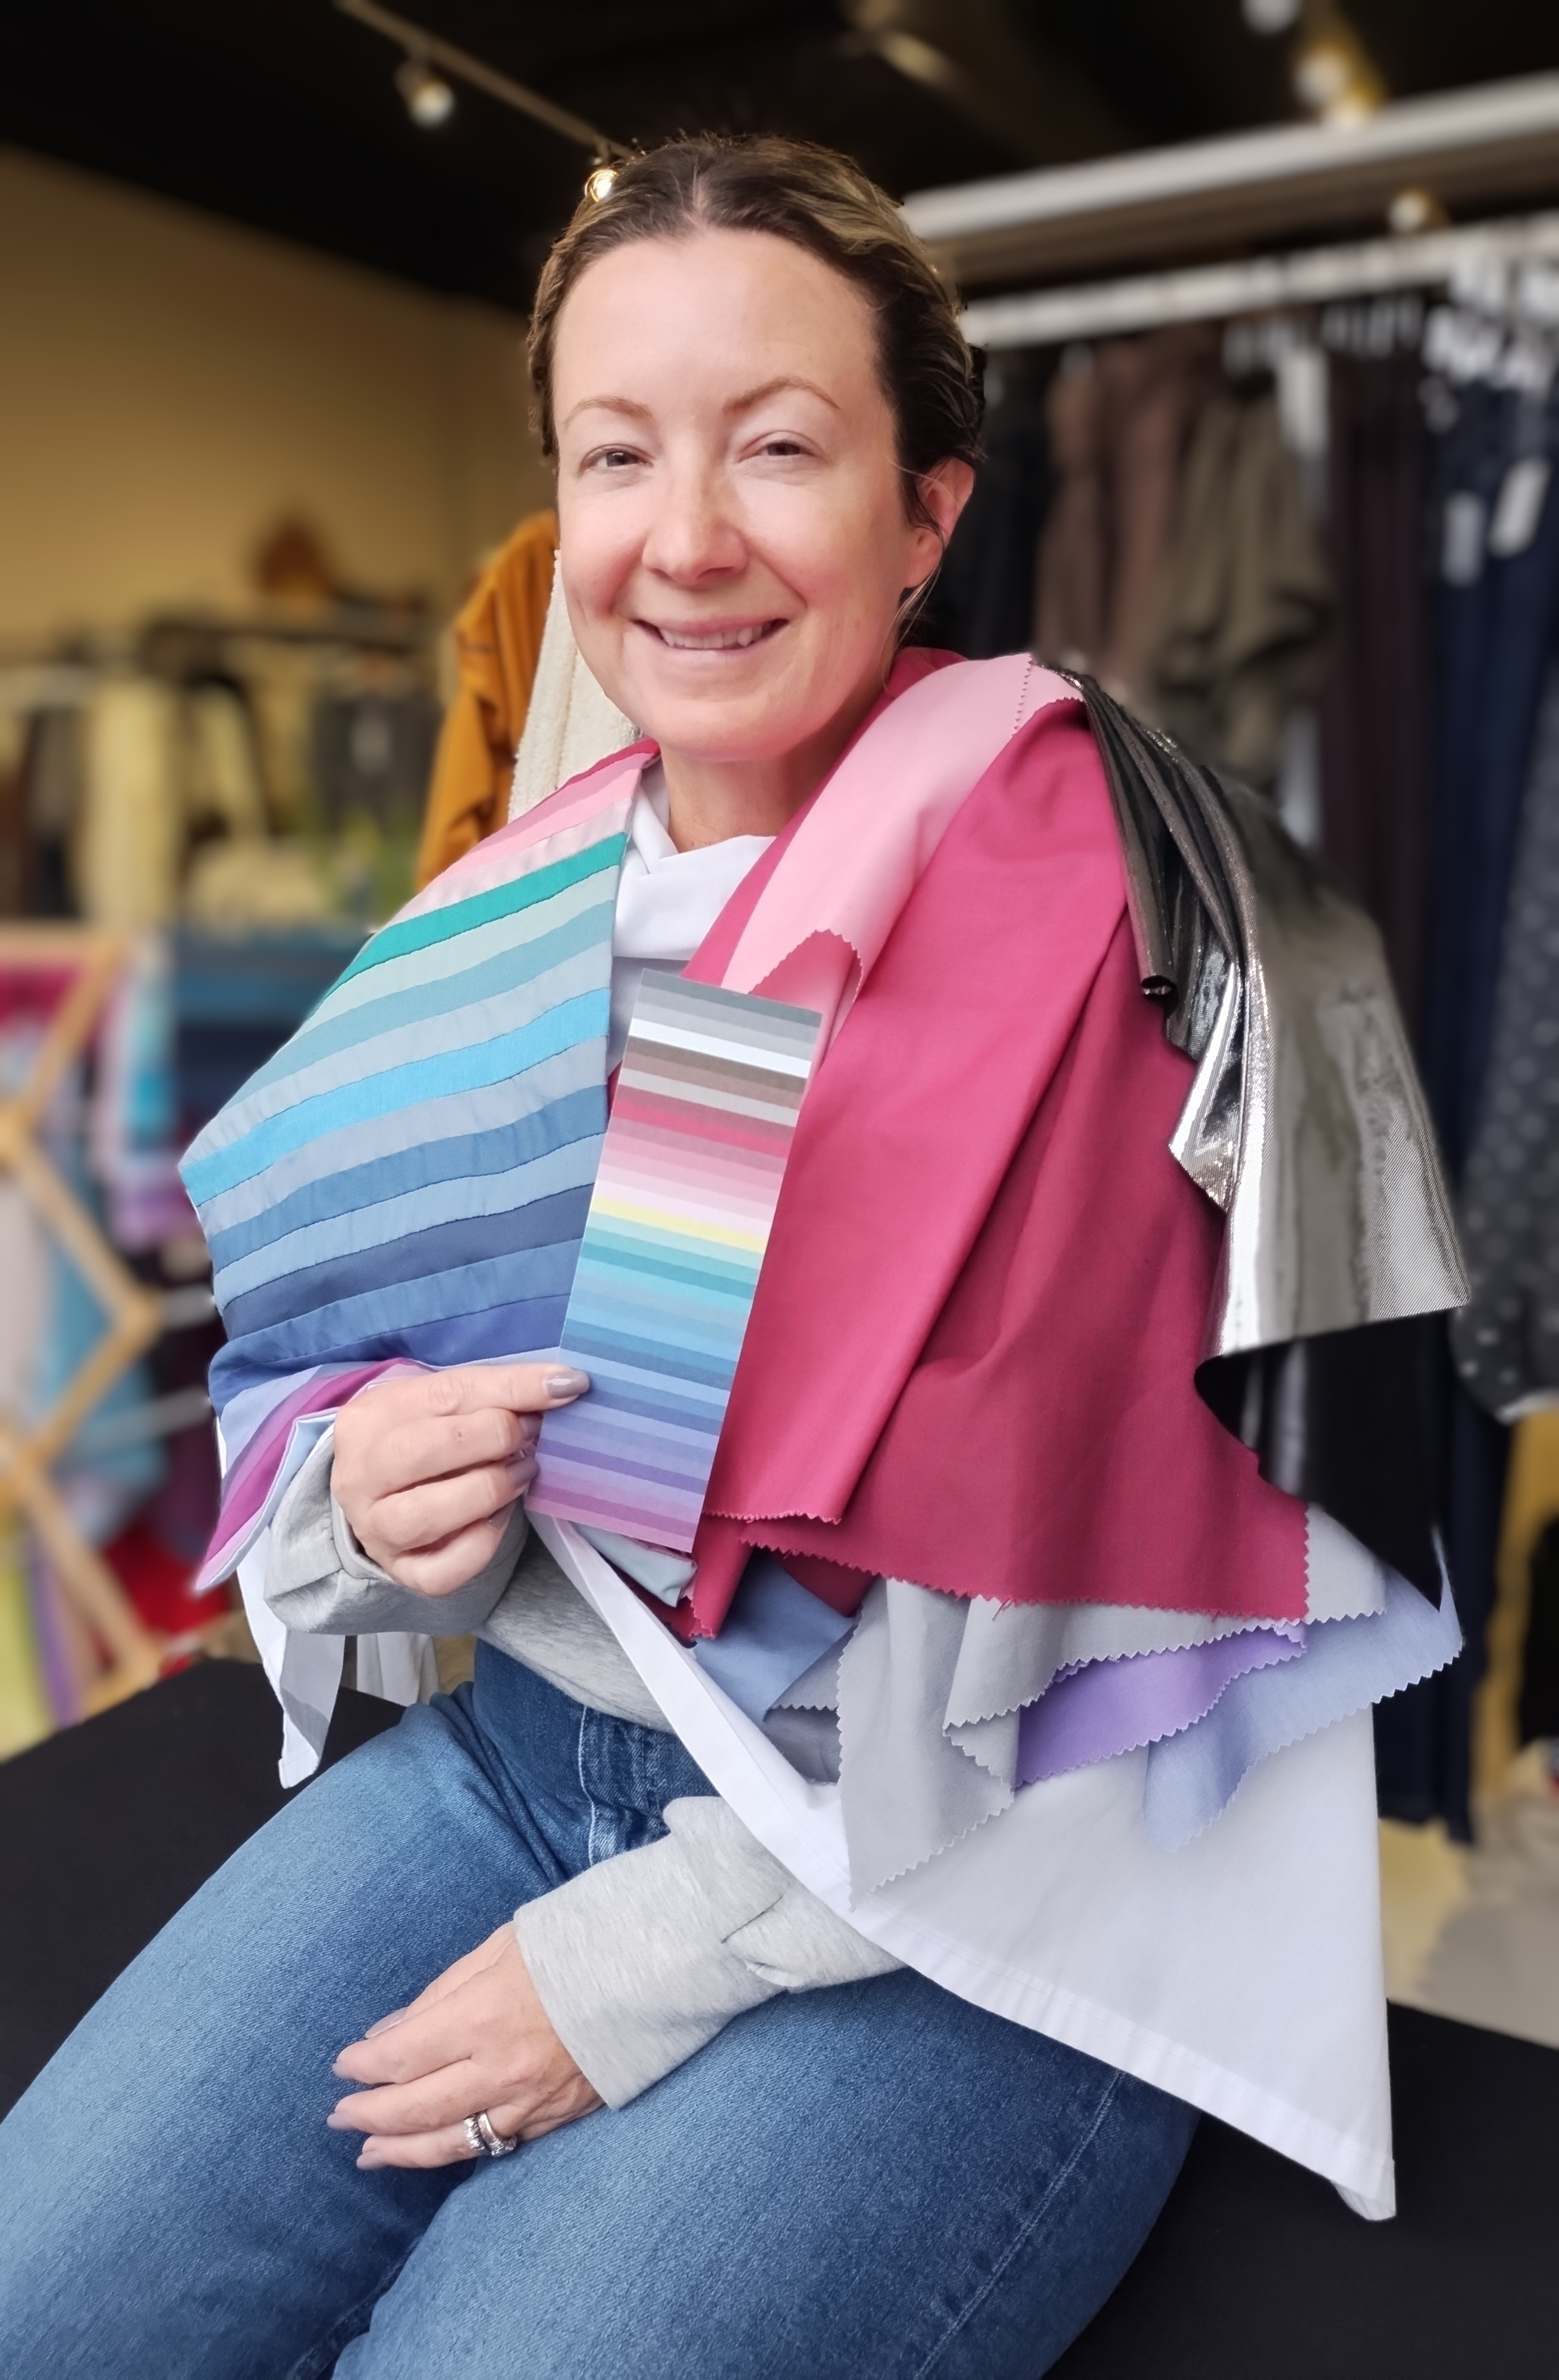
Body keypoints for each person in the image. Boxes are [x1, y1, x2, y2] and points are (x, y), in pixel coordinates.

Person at [0, 136, 1465, 2378]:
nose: (683, 540)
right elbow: (348, 1462)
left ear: (931, 507)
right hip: (527, 1759)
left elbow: (1133, 1635)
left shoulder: (1134, 919)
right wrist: (377, 1498)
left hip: (946, 1904)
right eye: (616, 457)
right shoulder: (512, 909)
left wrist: (646, 1959)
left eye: (779, 448)